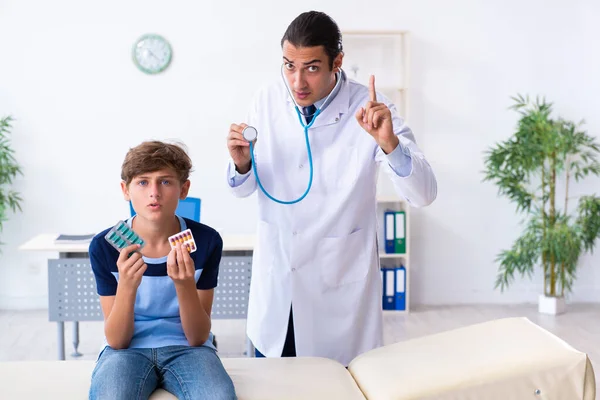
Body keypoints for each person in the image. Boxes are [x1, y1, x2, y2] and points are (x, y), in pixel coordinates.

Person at [226, 11, 437, 367]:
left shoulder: (370, 109)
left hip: (337, 290)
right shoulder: (266, 99)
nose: (297, 82)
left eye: (311, 67)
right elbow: (244, 189)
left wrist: (389, 144)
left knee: (334, 385)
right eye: (289, 65)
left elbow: (424, 193)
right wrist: (241, 163)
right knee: (274, 382)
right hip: (278, 283)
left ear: (337, 62)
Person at [88, 140, 237, 400]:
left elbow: (197, 337)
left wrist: (184, 284)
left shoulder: (206, 241)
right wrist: (127, 286)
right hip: (126, 350)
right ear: (125, 190)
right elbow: (117, 341)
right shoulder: (105, 246)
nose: (154, 193)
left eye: (165, 182)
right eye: (143, 182)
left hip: (188, 349)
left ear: (184, 189)